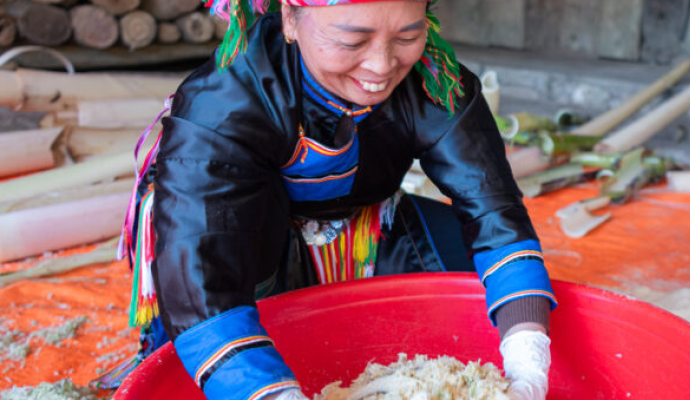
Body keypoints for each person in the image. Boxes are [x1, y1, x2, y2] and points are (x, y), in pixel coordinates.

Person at [94, 1, 556, 399]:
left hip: (356, 223)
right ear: (291, 19)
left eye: (408, 35)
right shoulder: (223, 104)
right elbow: (203, 278)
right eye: (353, 41)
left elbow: (494, 209)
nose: (381, 65)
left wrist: (526, 359)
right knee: (224, 349)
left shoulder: (434, 79)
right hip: (243, 243)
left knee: (467, 272)